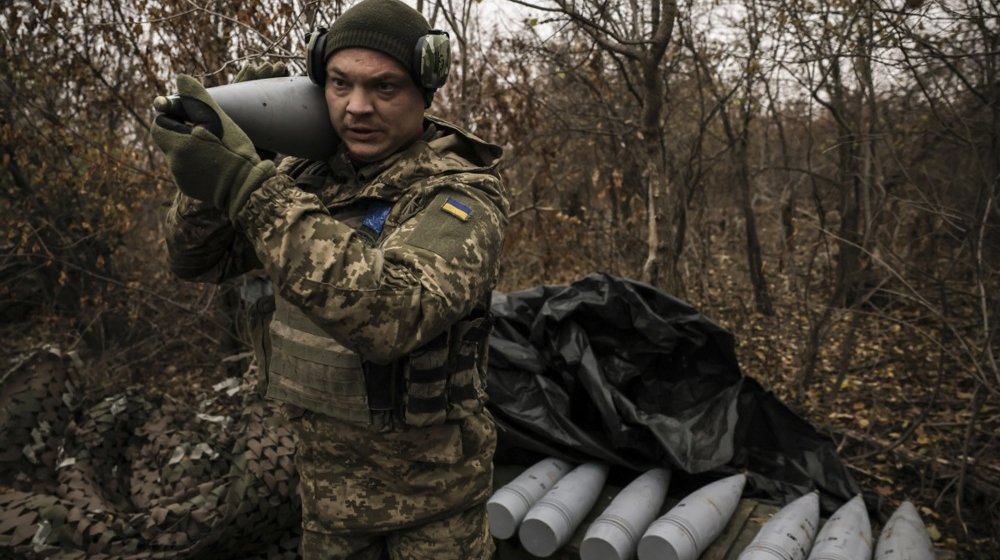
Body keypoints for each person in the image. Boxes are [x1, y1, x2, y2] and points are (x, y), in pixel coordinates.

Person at [150, 0, 508, 558]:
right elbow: (195, 259)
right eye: (339, 84)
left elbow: (395, 315)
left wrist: (250, 186)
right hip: (326, 500)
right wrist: (228, 171)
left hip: (433, 512)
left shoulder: (460, 196)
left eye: (384, 88)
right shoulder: (305, 176)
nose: (357, 107)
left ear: (423, 94)